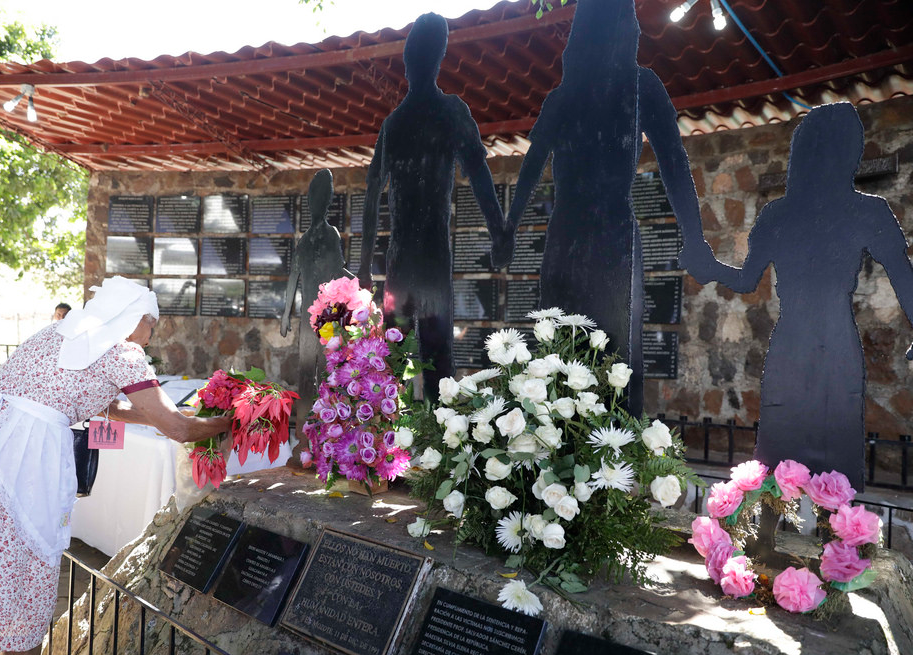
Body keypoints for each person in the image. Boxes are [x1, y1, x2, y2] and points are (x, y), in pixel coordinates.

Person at [0, 276, 234, 655]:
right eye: (151, 325)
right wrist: (229, 421)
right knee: (24, 597)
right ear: (132, 318)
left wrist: (180, 419)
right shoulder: (122, 352)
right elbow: (177, 430)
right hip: (22, 472)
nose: (151, 336)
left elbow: (114, 407)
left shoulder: (59, 332)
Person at [679, 102, 913, 491]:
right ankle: (835, 544)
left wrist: (710, 268)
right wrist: (709, 267)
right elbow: (904, 276)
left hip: (798, 346)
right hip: (828, 346)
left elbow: (743, 281)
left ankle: (780, 542)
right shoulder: (865, 212)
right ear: (851, 150)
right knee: (811, 468)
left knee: (788, 464)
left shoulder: (782, 214)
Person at [503, 0, 704, 417]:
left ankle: (588, 452)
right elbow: (674, 163)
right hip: (601, 235)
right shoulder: (634, 85)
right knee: (585, 352)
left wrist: (508, 232)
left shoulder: (577, 95)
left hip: (581, 236)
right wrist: (696, 238)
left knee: (595, 351)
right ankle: (598, 454)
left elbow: (529, 171)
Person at [358, 12, 507, 400]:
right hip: (413, 260)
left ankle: (416, 444)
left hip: (415, 260)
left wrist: (500, 233)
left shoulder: (409, 120)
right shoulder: (423, 118)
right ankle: (407, 446)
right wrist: (499, 233)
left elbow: (478, 173)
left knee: (416, 357)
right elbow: (373, 191)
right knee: (410, 359)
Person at [281, 169, 353, 454]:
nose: (317, 205)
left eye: (322, 200)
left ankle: (326, 438)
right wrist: (286, 313)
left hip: (328, 317)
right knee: (304, 373)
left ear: (327, 204)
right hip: (307, 318)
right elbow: (293, 277)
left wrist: (358, 286)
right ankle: (302, 438)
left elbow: (339, 270)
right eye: (314, 200)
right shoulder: (305, 240)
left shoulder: (331, 234)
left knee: (326, 375)